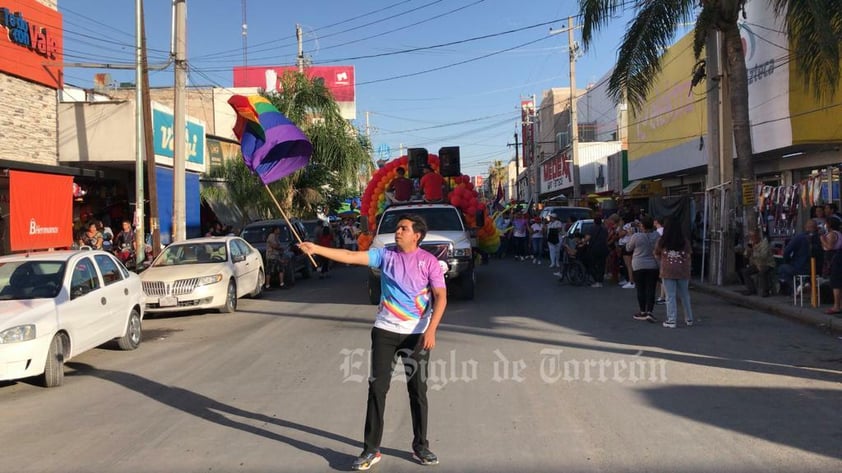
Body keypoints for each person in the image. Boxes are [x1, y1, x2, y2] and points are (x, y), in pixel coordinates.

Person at [298, 214, 446, 471]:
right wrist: (316, 248)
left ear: (417, 235)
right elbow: (350, 256)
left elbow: (441, 297)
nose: (398, 231)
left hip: (417, 335)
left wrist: (431, 330)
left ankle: (420, 445)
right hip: (385, 332)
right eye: (397, 228)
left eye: (403, 228)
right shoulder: (385, 256)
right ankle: (370, 449)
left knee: (418, 392)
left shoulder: (429, 262)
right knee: (377, 390)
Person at [654, 217, 694, 328]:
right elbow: (689, 255)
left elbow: (656, 254)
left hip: (667, 270)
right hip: (683, 270)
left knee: (670, 296)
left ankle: (671, 320)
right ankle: (689, 318)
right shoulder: (685, 241)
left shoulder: (662, 241)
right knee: (685, 295)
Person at [626, 216, 660, 322]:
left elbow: (628, 248)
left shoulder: (636, 236)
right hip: (653, 265)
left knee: (640, 289)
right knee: (651, 289)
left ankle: (642, 311)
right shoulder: (657, 235)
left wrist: (630, 236)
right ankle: (649, 311)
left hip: (639, 264)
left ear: (642, 226)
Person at [778, 219, 819, 294]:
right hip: (816, 269)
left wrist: (788, 260)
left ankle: (797, 286)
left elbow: (787, 251)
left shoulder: (800, 237)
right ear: (816, 228)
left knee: (782, 269)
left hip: (801, 268)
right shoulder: (820, 237)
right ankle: (805, 283)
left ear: (805, 227)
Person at [740, 230, 774, 297]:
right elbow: (746, 255)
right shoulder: (751, 243)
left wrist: (754, 250)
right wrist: (748, 251)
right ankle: (751, 289)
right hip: (757, 264)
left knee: (762, 272)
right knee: (745, 272)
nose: (752, 239)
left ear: (758, 236)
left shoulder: (764, 243)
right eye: (750, 237)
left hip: (767, 264)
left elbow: (763, 256)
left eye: (753, 237)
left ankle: (766, 291)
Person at [579, 215, 609, 287]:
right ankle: (600, 281)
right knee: (601, 265)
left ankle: (596, 280)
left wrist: (582, 243)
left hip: (594, 249)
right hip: (603, 248)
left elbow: (587, 238)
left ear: (594, 221)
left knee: (592, 265)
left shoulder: (592, 228)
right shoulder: (605, 229)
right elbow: (606, 238)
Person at [820, 216, 842, 313]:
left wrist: (822, 239)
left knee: (836, 282)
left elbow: (829, 247)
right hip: (836, 257)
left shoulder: (832, 234)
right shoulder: (838, 234)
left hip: (834, 258)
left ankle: (836, 306)